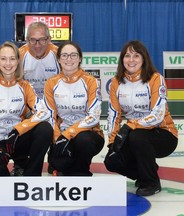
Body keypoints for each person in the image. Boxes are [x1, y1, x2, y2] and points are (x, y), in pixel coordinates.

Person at [104, 40, 178, 196]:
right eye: (127, 56)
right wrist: (112, 142)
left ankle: (151, 182)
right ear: (122, 59)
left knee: (138, 136)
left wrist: (130, 126)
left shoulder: (155, 78)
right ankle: (145, 173)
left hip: (164, 134)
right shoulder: (116, 82)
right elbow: (113, 114)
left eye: (136, 56)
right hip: (133, 134)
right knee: (111, 161)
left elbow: (158, 115)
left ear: (144, 59)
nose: (131, 60)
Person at [0, 41, 53, 176]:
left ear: (18, 61)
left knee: (44, 129)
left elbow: (44, 112)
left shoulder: (25, 86)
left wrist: (18, 130)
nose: (8, 64)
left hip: (18, 139)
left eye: (12, 59)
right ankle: (9, 169)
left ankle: (30, 174)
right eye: (3, 59)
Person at [44, 41, 105, 176]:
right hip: (62, 136)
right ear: (59, 59)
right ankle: (65, 164)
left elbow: (93, 117)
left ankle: (80, 174)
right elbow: (50, 116)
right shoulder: (51, 83)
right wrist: (57, 138)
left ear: (80, 58)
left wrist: (68, 134)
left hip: (88, 135)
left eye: (73, 55)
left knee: (83, 141)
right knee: (59, 164)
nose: (69, 59)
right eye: (64, 55)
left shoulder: (91, 81)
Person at [11, 21, 60, 175]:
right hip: (29, 105)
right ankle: (20, 163)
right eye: (33, 40)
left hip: (54, 104)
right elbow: (13, 86)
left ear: (49, 39)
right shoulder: (20, 55)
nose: (37, 45)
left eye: (42, 40)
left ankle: (56, 161)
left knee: (57, 123)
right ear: (27, 40)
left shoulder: (58, 54)